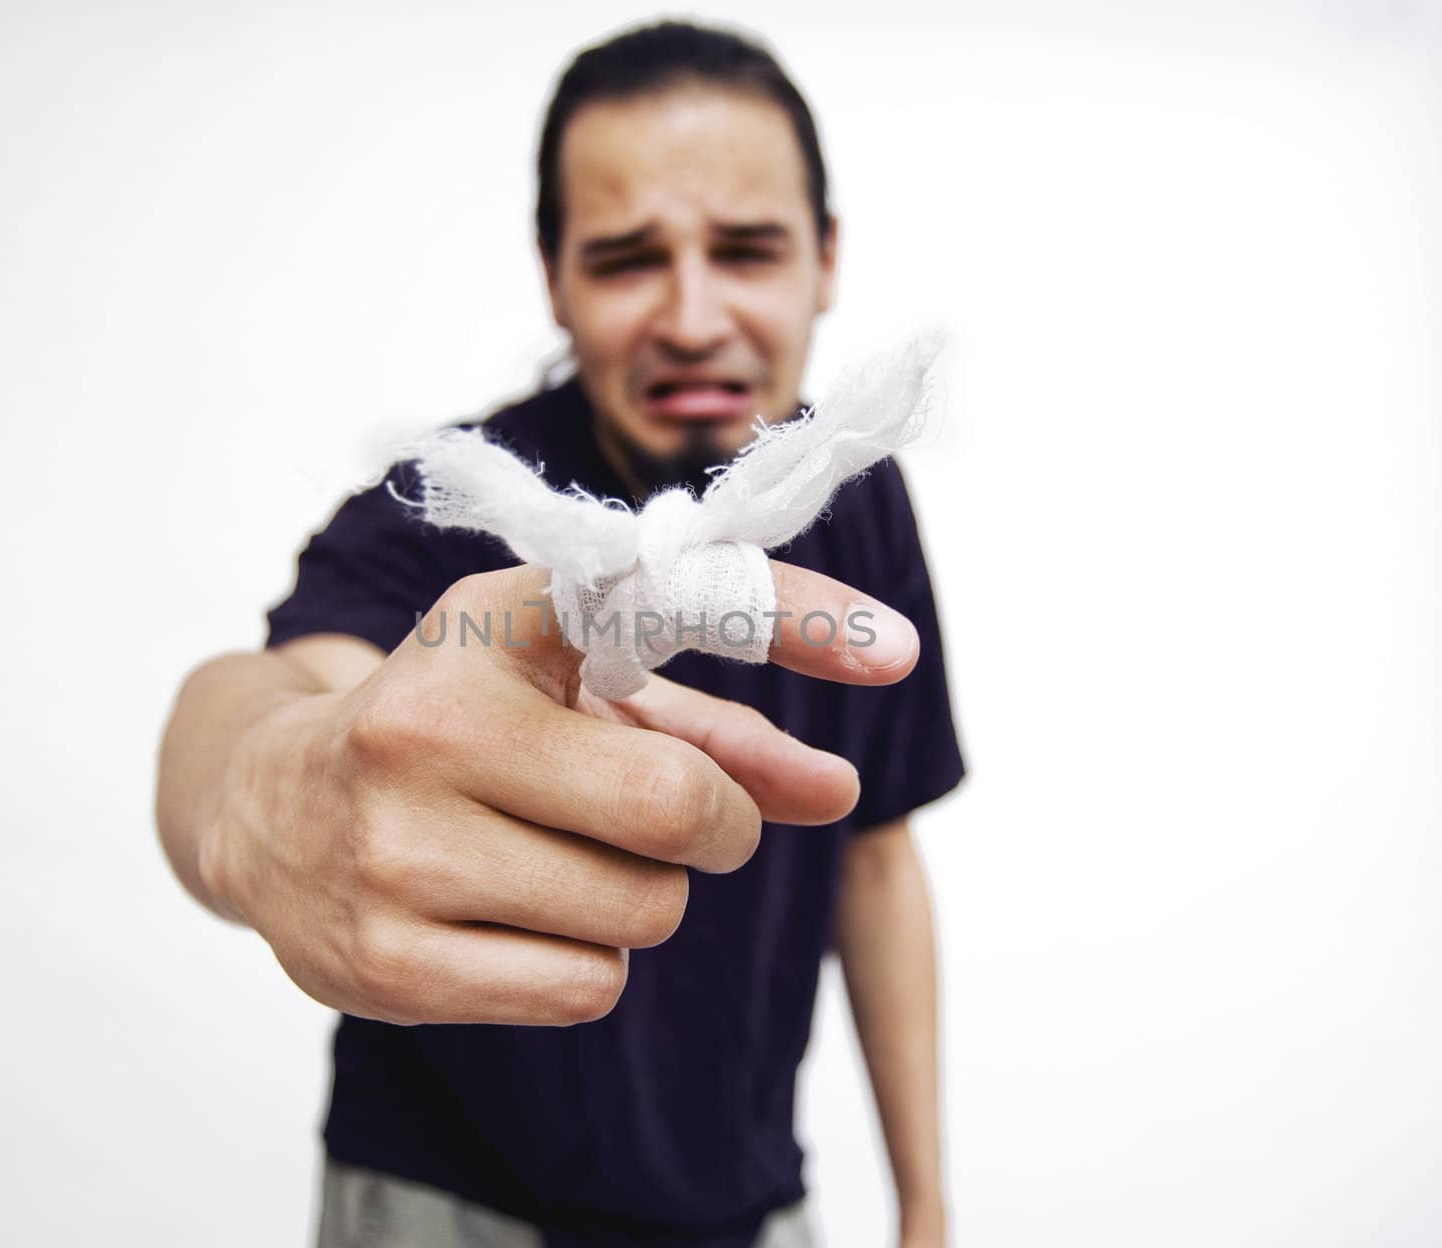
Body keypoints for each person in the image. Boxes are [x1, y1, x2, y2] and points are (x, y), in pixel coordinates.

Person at [155, 19, 965, 1248]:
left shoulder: (858, 511)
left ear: (825, 259)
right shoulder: (455, 509)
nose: (692, 318)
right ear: (554, 275)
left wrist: (923, 1206)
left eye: (746, 250)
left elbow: (875, 857)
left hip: (748, 1210)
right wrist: (265, 788)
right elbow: (273, 692)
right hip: (448, 1205)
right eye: (628, 259)